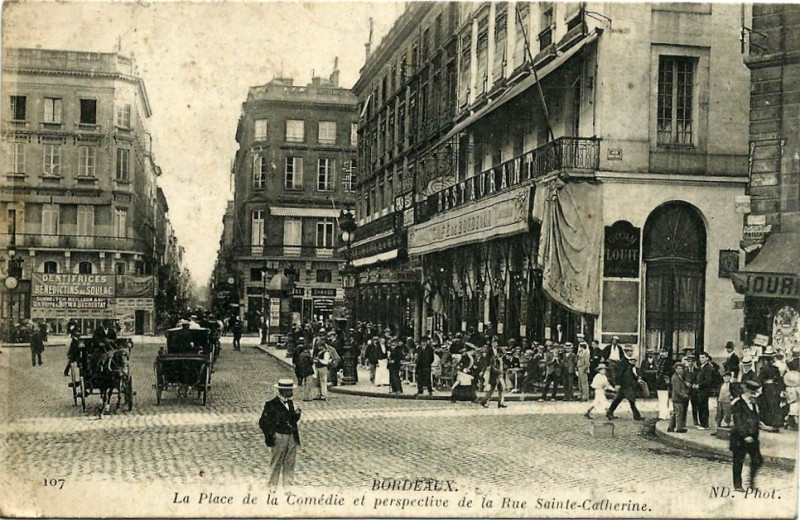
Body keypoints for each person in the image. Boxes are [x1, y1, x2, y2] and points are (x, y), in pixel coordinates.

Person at [259, 378, 302, 490]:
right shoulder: (271, 405)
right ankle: (272, 487)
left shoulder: (291, 403)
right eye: (290, 390)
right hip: (279, 436)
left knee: (290, 463)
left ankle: (288, 488)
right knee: (276, 463)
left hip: (291, 436)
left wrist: (297, 415)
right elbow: (263, 422)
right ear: (283, 391)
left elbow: (291, 420)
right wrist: (272, 434)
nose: (292, 392)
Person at [730, 380, 764, 492]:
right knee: (738, 461)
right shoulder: (737, 403)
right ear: (746, 391)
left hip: (752, 437)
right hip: (740, 438)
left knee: (757, 460)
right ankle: (737, 485)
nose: (754, 395)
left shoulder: (753, 403)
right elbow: (738, 421)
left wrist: (760, 425)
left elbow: (754, 418)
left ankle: (751, 483)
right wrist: (745, 435)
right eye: (752, 393)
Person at [605, 345, 644, 421]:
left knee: (619, 399)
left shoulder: (629, 361)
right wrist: (617, 384)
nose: (631, 352)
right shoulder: (623, 362)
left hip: (628, 384)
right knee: (631, 400)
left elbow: (632, 373)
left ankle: (610, 412)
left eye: (632, 351)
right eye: (630, 351)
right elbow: (619, 374)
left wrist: (637, 379)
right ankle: (637, 416)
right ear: (626, 352)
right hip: (624, 385)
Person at [757, 346, 784, 432]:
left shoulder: (763, 369)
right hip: (774, 387)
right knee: (773, 404)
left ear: (765, 360)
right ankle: (775, 423)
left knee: (766, 404)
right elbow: (779, 379)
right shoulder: (775, 369)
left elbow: (760, 380)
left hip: (767, 387)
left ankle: (768, 423)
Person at [479, 337, 506, 408]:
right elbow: (488, 363)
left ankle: (500, 402)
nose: (495, 344)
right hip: (492, 373)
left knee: (500, 388)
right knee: (493, 388)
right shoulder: (490, 353)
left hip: (498, 373)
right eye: (493, 342)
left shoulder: (499, 353)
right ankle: (484, 401)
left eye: (496, 342)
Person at [695, 352, 718, 430]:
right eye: (700, 357)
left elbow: (708, 381)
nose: (701, 359)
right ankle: (702, 423)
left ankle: (705, 424)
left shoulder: (708, 368)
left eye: (703, 357)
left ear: (707, 358)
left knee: (703, 406)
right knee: (700, 406)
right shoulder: (701, 367)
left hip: (704, 390)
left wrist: (699, 385)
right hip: (700, 390)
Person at [669, 362, 690, 433]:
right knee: (679, 413)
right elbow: (677, 390)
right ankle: (678, 428)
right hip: (678, 399)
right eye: (678, 368)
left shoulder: (679, 376)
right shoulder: (675, 377)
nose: (680, 370)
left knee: (675, 413)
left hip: (677, 398)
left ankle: (671, 427)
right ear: (675, 369)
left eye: (681, 368)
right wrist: (684, 396)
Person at [655, 348, 673, 421]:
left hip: (664, 383)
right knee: (662, 399)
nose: (662, 354)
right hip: (660, 382)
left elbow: (669, 372)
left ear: (667, 353)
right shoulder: (660, 361)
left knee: (664, 399)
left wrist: (667, 380)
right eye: (661, 352)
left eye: (664, 352)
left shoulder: (668, 362)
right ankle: (665, 414)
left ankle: (663, 415)